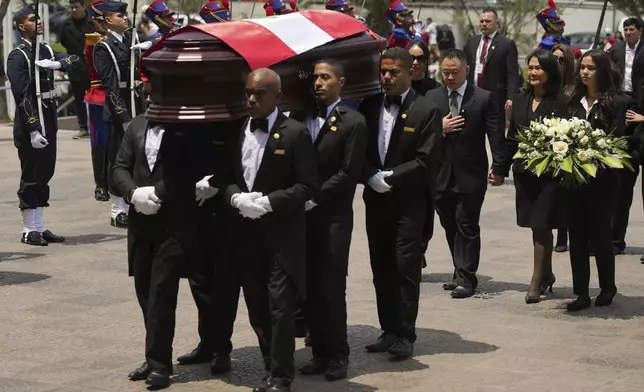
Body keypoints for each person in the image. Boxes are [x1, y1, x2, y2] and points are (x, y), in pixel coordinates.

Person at [213, 68, 319, 392]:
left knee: (281, 308)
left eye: (259, 94)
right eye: (248, 92)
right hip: (244, 237)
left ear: (278, 96)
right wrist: (234, 198)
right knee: (258, 309)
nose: (252, 99)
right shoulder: (235, 130)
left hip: (281, 237)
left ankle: (281, 377)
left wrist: (271, 202)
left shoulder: (294, 133)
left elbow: (309, 186)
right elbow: (223, 176)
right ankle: (271, 368)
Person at [359, 48, 443, 358]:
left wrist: (390, 177)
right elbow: (360, 151)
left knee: (405, 268)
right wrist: (370, 175)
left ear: (410, 72)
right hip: (375, 199)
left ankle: (406, 334)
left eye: (394, 72)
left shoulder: (426, 110)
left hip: (409, 203)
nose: (386, 77)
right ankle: (388, 329)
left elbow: (426, 161)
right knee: (380, 267)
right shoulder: (369, 106)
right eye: (383, 71)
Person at [289, 59, 367, 381]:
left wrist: (314, 195)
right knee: (308, 288)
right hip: (300, 218)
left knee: (331, 288)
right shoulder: (298, 116)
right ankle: (319, 352)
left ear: (341, 82)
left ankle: (338, 355)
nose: (319, 83)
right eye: (316, 77)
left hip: (332, 217)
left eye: (326, 77)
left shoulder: (353, 122)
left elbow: (348, 174)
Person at [426, 49, 504, 298]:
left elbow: (495, 135)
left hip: (471, 173)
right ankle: (459, 270)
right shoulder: (431, 97)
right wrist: (440, 127)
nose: (449, 77)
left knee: (467, 223)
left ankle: (467, 277)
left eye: (454, 73)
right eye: (445, 72)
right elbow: (422, 133)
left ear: (467, 70)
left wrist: (499, 167)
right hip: (440, 174)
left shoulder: (482, 98)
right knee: (449, 223)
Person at [565, 49, 635, 311]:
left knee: (600, 236)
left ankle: (607, 287)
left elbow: (621, 142)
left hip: (604, 182)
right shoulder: (572, 101)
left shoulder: (618, 102)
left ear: (602, 71)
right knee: (577, 237)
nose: (584, 72)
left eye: (591, 68)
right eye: (582, 67)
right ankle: (581, 292)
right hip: (573, 180)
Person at [499, 49, 568, 304]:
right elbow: (511, 139)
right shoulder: (518, 100)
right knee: (536, 226)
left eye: (539, 67)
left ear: (549, 72)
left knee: (542, 224)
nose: (534, 72)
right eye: (530, 67)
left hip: (550, 175)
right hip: (525, 174)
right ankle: (547, 273)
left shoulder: (563, 102)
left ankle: (536, 282)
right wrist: (499, 168)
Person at [7, 4, 80, 246]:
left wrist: (59, 64)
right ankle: (29, 229)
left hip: (49, 117)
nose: (39, 22)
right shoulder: (19, 56)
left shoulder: (45, 49)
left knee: (45, 172)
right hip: (32, 120)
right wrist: (33, 128)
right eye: (32, 19)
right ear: (21, 26)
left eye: (39, 18)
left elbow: (74, 60)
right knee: (32, 173)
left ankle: (39, 225)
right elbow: (22, 95)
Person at [93, 0, 143, 228]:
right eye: (119, 15)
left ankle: (132, 203)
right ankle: (117, 209)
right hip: (118, 111)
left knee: (136, 159)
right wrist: (124, 117)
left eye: (125, 14)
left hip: (136, 103)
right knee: (118, 160)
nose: (125, 18)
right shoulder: (104, 47)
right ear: (108, 20)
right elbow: (110, 87)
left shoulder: (133, 39)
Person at [608, 17, 643, 255]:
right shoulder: (617, 50)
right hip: (622, 106)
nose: (628, 33)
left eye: (632, 30)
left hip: (641, 106)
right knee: (620, 183)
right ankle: (615, 240)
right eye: (626, 30)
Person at [464, 8, 520, 140]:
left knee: (496, 139)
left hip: (495, 99)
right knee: (472, 138)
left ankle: (498, 161)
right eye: (482, 21)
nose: (484, 24)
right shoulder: (472, 42)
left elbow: (513, 74)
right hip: (473, 97)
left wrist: (511, 97)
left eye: (488, 21)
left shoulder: (506, 44)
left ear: (497, 23)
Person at [551, 43, 577, 253]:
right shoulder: (547, 84)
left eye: (561, 60)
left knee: (565, 190)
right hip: (549, 140)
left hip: (568, 141)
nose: (557, 63)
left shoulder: (574, 86)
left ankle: (563, 233)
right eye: (554, 59)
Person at [59, 0, 95, 140]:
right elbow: (63, 41)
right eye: (72, 7)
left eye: (77, 7)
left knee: (94, 98)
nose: (74, 10)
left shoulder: (93, 22)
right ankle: (83, 127)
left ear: (84, 7)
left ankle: (96, 126)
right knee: (79, 99)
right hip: (75, 66)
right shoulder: (66, 24)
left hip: (92, 66)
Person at [85, 0, 110, 202]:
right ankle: (101, 183)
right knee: (100, 142)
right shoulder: (94, 39)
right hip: (99, 95)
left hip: (117, 94)